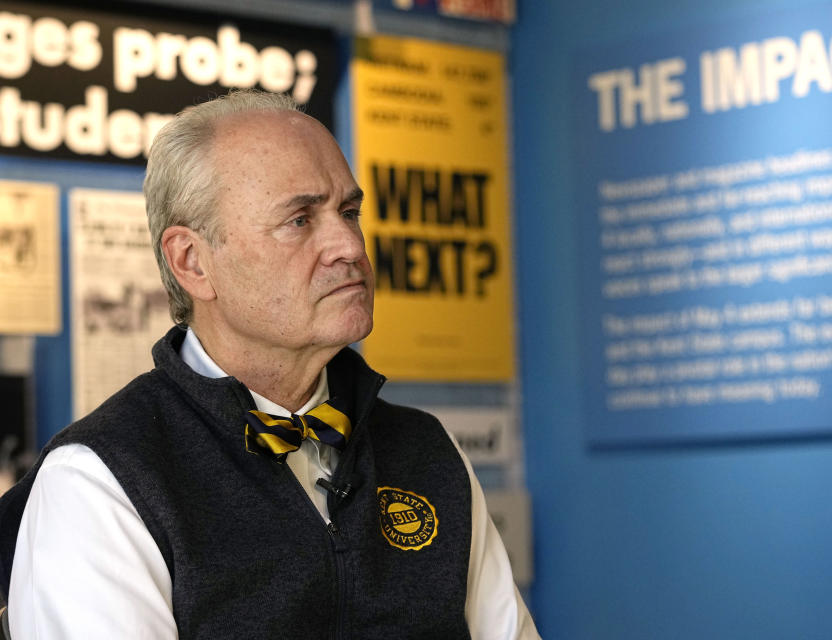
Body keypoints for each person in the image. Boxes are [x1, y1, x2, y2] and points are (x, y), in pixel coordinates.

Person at [0, 90, 539, 639]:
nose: (348, 246)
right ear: (192, 262)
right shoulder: (101, 480)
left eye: (348, 212)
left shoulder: (428, 451)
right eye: (300, 219)